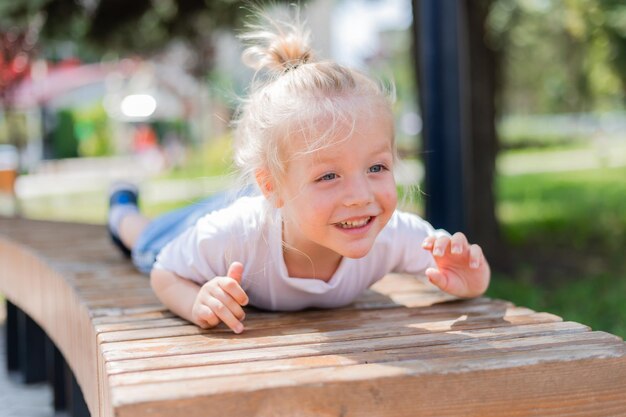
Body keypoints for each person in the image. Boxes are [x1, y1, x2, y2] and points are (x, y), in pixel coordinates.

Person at [107, 13, 490, 335]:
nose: (360, 195)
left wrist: (472, 279)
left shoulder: (395, 236)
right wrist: (196, 301)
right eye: (328, 176)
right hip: (216, 224)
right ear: (270, 186)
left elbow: (463, 271)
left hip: (282, 206)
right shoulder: (232, 237)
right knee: (143, 239)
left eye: (376, 167)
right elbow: (165, 272)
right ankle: (121, 204)